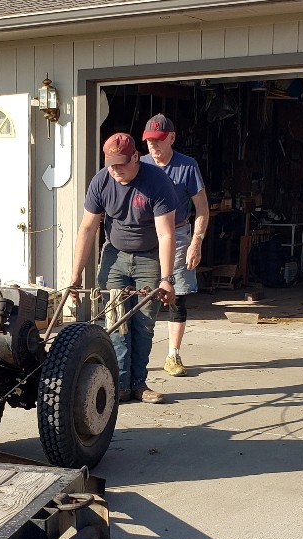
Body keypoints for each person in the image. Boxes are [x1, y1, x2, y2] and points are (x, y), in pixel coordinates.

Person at [70, 133, 177, 404]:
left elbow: (166, 234)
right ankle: (119, 384)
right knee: (114, 322)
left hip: (148, 257)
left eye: (121, 164)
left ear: (135, 157)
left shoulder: (157, 181)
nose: (116, 170)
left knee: (143, 325)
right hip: (114, 256)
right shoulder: (101, 181)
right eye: (111, 164)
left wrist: (167, 278)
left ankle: (139, 384)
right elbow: (87, 228)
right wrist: (75, 274)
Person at [141, 114, 209, 377]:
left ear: (171, 137)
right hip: (146, 235)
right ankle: (134, 357)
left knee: (176, 295)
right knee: (141, 295)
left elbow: (202, 208)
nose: (153, 146)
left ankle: (173, 355)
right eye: (149, 141)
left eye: (158, 140)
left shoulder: (187, 166)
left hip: (179, 234)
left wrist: (197, 242)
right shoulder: (140, 164)